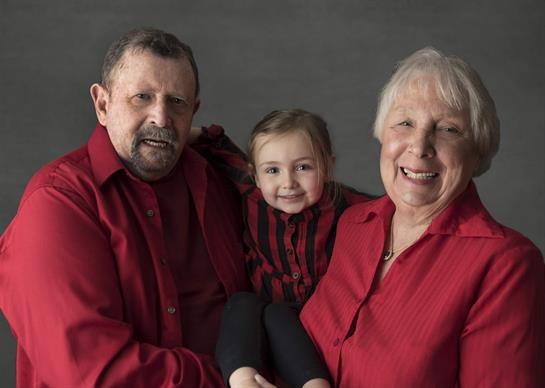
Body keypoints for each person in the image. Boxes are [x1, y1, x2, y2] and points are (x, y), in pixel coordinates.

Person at [0, 27, 250, 387]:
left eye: (176, 102)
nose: (160, 119)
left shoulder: (221, 183)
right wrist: (230, 380)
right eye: (142, 97)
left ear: (193, 111)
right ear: (102, 104)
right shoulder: (57, 202)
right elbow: (91, 373)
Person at [299, 47, 545, 386]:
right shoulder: (352, 224)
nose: (419, 146)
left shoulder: (506, 264)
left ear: (478, 150)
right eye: (404, 123)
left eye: (447, 130)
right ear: (382, 134)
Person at [190, 109, 371, 387]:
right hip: (263, 321)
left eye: (303, 167)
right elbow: (217, 144)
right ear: (256, 175)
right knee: (242, 302)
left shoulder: (345, 204)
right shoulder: (252, 193)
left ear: (327, 166)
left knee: (278, 313)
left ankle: (314, 384)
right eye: (273, 170)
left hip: (316, 324)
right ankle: (244, 379)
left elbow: (399, 208)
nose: (288, 183)